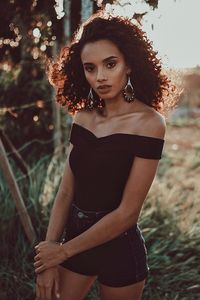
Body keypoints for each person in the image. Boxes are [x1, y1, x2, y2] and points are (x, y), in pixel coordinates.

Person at [34, 11, 177, 300]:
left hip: (119, 247)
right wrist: (50, 254)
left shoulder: (149, 123)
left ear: (129, 65)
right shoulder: (83, 118)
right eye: (90, 68)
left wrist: (61, 252)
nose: (99, 77)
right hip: (74, 239)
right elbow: (65, 192)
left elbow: (127, 213)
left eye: (110, 64)